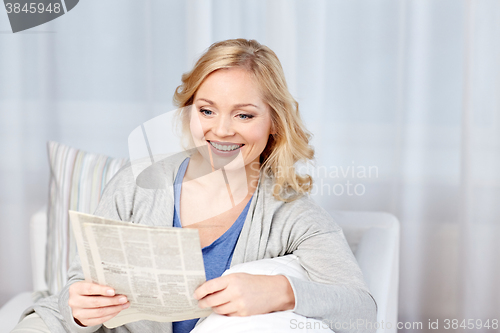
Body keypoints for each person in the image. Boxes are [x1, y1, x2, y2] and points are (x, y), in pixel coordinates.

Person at [12, 38, 377, 333]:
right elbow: (78, 285)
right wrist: (79, 310)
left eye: (244, 115)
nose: (221, 130)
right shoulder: (136, 184)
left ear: (274, 123)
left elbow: (362, 313)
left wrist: (281, 292)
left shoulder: (293, 214)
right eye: (207, 110)